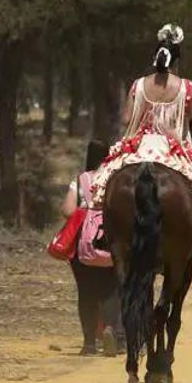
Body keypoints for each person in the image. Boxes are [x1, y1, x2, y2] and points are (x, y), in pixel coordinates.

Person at [89, 24, 192, 249]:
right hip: (171, 148)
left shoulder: (138, 85)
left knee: (107, 181)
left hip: (139, 146)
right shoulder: (186, 87)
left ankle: (104, 232)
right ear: (176, 60)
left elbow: (127, 118)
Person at [61, 140, 126, 356]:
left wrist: (85, 210)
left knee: (86, 293)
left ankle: (89, 343)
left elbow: (68, 210)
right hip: (110, 244)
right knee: (111, 290)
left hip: (84, 247)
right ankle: (111, 330)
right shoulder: (117, 180)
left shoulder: (81, 180)